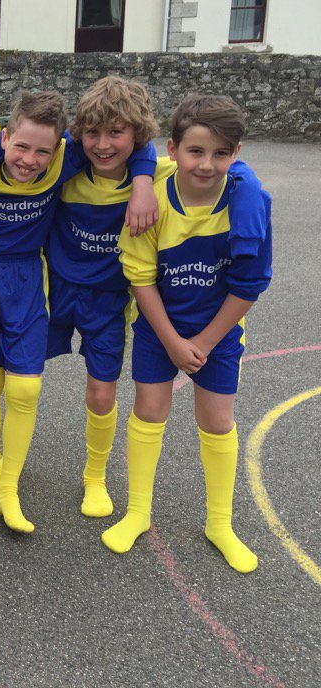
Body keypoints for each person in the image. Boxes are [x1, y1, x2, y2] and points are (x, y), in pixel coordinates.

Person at [0, 91, 159, 534]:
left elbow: (143, 146)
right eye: (21, 147)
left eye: (42, 151)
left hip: (58, 285)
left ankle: (58, 481)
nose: (30, 160)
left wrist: (143, 182)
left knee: (34, 388)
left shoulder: (72, 161)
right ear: (7, 137)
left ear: (58, 148)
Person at [103, 95, 272, 573]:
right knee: (149, 410)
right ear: (173, 149)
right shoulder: (153, 198)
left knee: (217, 421)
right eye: (196, 151)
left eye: (221, 154)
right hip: (160, 327)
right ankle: (137, 513)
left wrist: (205, 342)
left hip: (219, 331)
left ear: (237, 153)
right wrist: (174, 342)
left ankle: (220, 524)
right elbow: (140, 278)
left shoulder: (248, 202)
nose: (207, 164)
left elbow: (249, 285)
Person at [44, 76, 172, 518]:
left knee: (102, 393)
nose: (102, 144)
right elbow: (19, 143)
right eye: (92, 133)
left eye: (116, 132)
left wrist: (143, 180)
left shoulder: (156, 178)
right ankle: (2, 465)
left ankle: (95, 476)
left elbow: (227, 170)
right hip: (53, 291)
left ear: (138, 135)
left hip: (108, 302)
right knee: (16, 378)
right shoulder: (64, 167)